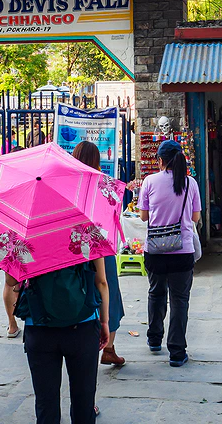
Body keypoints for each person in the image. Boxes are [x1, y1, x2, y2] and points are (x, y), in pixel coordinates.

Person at [6, 259, 109, 424]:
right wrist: (104, 321)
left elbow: (11, 281)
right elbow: (102, 282)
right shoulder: (88, 234)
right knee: (84, 397)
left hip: (39, 325)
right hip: (83, 324)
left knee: (46, 401)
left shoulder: (26, 237)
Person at [138, 139, 200, 368]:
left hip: (154, 250)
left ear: (161, 161)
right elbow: (195, 218)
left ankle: (154, 339)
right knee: (180, 300)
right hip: (182, 250)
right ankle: (177, 351)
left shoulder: (149, 181)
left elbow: (143, 217)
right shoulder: (190, 183)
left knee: (156, 292)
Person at [71, 141, 126, 366]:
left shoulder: (67, 183)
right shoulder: (103, 185)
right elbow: (113, 215)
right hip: (100, 245)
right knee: (107, 291)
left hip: (73, 248)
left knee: (81, 291)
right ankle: (108, 346)